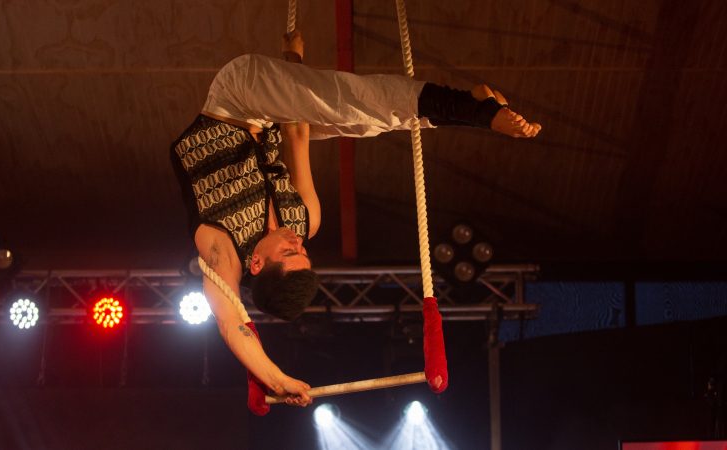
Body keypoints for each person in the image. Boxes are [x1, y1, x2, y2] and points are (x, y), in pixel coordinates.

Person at [170, 31, 541, 408]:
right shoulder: (305, 221)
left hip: (234, 98)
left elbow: (230, 321)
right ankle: (464, 108)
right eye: (303, 252)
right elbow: (296, 133)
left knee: (345, 102)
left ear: (257, 263)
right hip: (272, 114)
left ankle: (471, 110)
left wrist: (275, 377)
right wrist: (291, 64)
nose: (297, 243)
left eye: (289, 252)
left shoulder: (221, 246)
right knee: (362, 124)